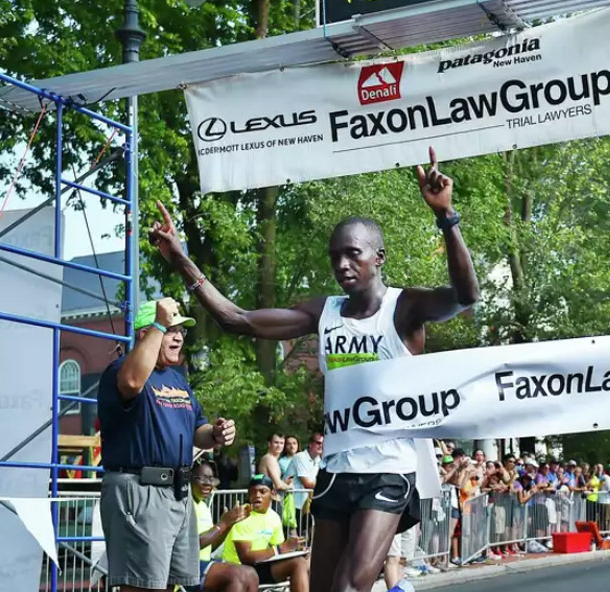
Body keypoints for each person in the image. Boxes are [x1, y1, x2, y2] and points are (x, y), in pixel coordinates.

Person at [149, 147, 479, 592]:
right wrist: (181, 259)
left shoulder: (404, 308)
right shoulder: (323, 312)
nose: (342, 264)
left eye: (353, 254)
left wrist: (446, 217)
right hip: (337, 469)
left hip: (389, 469)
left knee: (348, 587)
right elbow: (237, 319)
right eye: (334, 256)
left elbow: (465, 295)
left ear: (378, 257)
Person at [98, 298, 237, 592]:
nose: (177, 337)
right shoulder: (121, 369)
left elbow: (198, 428)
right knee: (142, 586)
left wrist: (217, 433)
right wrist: (159, 321)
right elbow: (133, 383)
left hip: (178, 492)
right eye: (169, 329)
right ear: (145, 333)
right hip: (140, 489)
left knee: (174, 586)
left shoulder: (177, 379)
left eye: (180, 331)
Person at [224, 475, 309, 592]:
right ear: (249, 495)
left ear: (273, 494)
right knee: (298, 564)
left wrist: (295, 549)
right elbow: (246, 558)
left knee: (305, 560)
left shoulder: (274, 517)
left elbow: (280, 551)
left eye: (262, 491)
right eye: (253, 492)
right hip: (238, 569)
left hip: (260, 566)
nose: (257, 495)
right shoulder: (242, 515)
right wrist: (282, 548)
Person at [188, 460, 259, 592]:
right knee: (236, 575)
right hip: (186, 567)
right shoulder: (185, 504)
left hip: (203, 563)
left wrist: (229, 525)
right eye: (201, 478)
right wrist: (223, 523)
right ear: (189, 478)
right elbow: (193, 545)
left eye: (211, 479)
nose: (208, 483)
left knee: (250, 574)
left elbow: (210, 546)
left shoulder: (203, 506)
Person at [284, 432, 324, 535]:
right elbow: (307, 483)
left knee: (306, 538)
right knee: (293, 539)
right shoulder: (300, 457)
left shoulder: (319, 460)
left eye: (323, 443)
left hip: (307, 506)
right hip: (292, 505)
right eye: (318, 443)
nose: (321, 446)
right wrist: (323, 483)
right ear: (311, 444)